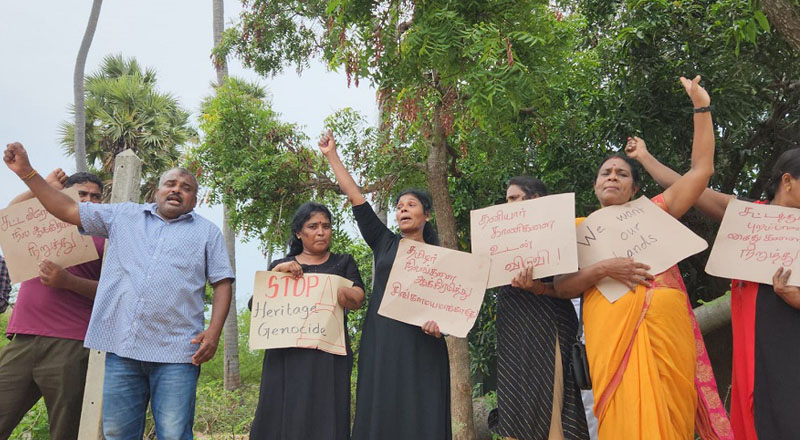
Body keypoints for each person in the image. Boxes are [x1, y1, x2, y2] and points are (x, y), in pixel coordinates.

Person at [3, 142, 234, 440]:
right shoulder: (124, 216)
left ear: (194, 199)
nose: (177, 189)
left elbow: (222, 283)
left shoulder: (207, 233)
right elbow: (68, 209)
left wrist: (214, 332)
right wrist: (28, 174)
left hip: (178, 352)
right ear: (157, 191)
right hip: (122, 349)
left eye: (186, 187)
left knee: (174, 434)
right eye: (170, 184)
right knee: (117, 433)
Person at [551, 76, 731, 440]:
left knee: (672, 420)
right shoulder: (574, 229)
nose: (613, 177)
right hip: (610, 336)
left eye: (622, 174)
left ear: (635, 188)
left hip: (668, 331)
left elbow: (701, 172)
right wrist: (604, 268)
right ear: (595, 185)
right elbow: (560, 287)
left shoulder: (654, 211)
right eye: (606, 173)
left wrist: (701, 106)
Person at [627, 137, 800, 439]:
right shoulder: (749, 215)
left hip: (793, 326)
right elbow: (689, 187)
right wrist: (644, 156)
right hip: (758, 332)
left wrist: (795, 297)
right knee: (761, 407)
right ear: (787, 180)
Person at [319, 130, 451, 440]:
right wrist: (332, 156)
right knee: (383, 406)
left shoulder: (443, 258)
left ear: (427, 215)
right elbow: (356, 198)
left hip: (424, 343)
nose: (403, 209)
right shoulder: (384, 243)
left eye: (412, 205)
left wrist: (440, 326)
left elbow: (452, 307)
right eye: (399, 206)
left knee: (422, 407)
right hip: (384, 338)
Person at [0, 169, 105, 440]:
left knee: (66, 431)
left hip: (71, 345)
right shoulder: (43, 223)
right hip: (22, 339)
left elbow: (115, 292)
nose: (89, 201)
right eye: (81, 194)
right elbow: (10, 215)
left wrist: (69, 282)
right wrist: (43, 186)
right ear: (66, 195)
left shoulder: (106, 238)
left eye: (96, 197)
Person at [249, 201, 365, 440]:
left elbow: (358, 298)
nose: (321, 231)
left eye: (326, 226)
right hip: (286, 357)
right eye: (313, 226)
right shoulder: (281, 266)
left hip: (328, 357)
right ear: (299, 233)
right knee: (281, 414)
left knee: (326, 414)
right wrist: (277, 274)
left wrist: (346, 294)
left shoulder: (344, 263)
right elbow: (255, 306)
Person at [489, 176, 589, 440]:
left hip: (548, 316)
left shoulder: (559, 230)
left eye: (513, 198)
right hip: (512, 318)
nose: (507, 204)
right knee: (515, 394)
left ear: (534, 200)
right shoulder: (499, 234)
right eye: (506, 199)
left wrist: (539, 286)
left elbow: (573, 283)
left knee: (551, 393)